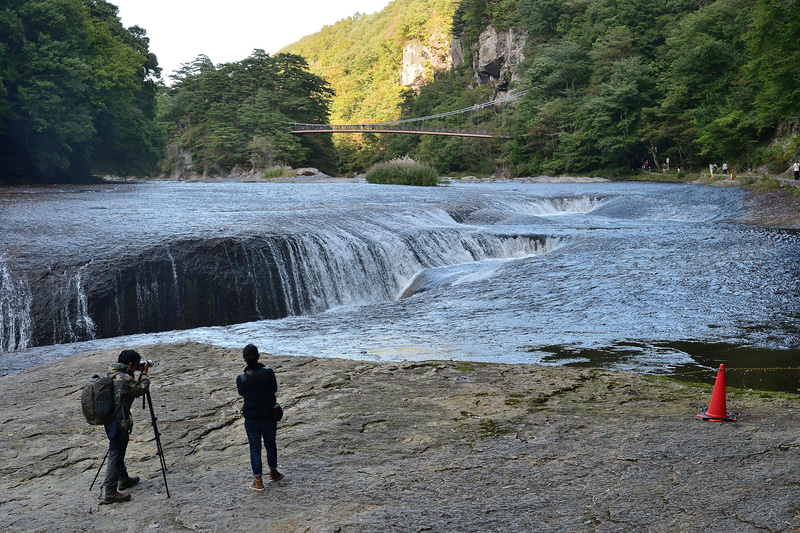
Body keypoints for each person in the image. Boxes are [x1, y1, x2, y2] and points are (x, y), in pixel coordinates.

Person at [101, 349, 150, 504]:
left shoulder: (112, 372)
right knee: (115, 454)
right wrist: (145, 374)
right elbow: (141, 389)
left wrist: (137, 373)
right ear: (130, 364)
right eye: (136, 365)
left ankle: (123, 479)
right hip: (119, 422)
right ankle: (110, 492)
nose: (138, 367)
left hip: (110, 420)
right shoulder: (124, 378)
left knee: (118, 451)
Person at [237, 344, 283, 491]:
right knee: (270, 444)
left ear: (244, 359)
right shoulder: (269, 373)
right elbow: (274, 389)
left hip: (251, 418)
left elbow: (242, 393)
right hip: (269, 415)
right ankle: (273, 472)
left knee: (255, 449)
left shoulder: (242, 378)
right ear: (258, 357)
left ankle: (258, 481)